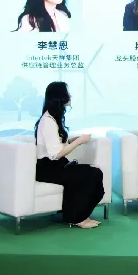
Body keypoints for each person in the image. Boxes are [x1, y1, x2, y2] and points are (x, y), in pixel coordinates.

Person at [34, 81, 104, 229]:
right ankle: (76, 217)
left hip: (56, 165)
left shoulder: (53, 118)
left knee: (95, 171)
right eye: (67, 93)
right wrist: (79, 142)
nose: (70, 95)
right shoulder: (47, 121)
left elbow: (56, 145)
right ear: (59, 97)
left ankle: (81, 214)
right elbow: (55, 154)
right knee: (91, 174)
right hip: (48, 169)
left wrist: (71, 140)